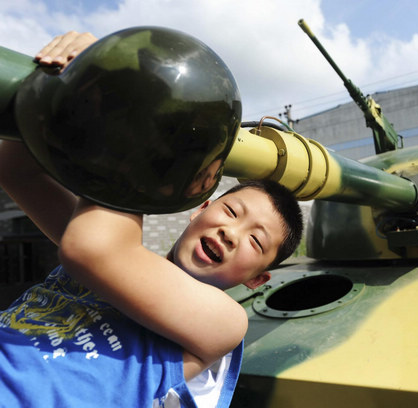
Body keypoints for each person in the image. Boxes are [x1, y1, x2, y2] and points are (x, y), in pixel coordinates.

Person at [0, 32, 303, 407]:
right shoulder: (112, 243)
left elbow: (94, 249)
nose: (230, 232)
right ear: (200, 210)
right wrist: (60, 80)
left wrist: (131, 97)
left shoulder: (225, 322)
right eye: (230, 211)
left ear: (257, 280)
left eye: (256, 241)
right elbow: (17, 170)